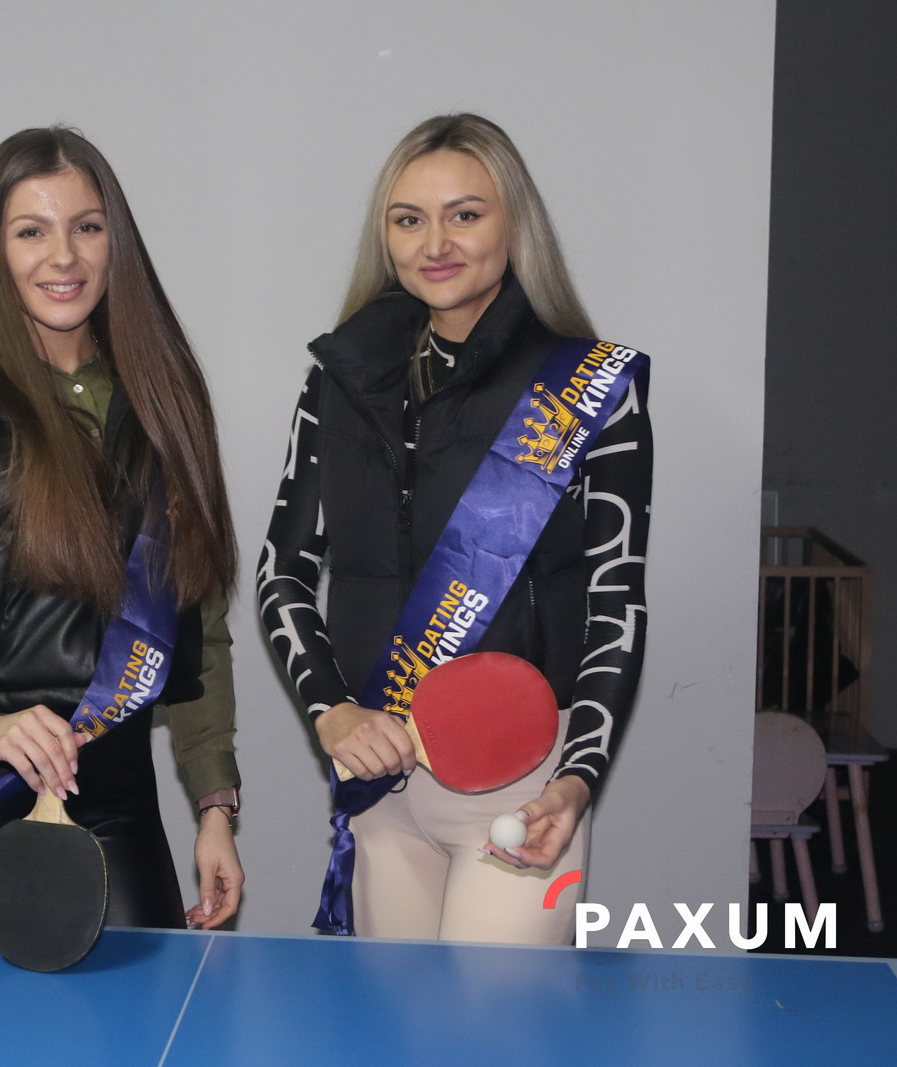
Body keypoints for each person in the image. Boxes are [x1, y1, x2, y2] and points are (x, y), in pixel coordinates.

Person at [257, 113, 650, 942]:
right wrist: (332, 710)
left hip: (526, 787)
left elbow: (616, 599)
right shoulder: (337, 382)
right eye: (409, 219)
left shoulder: (592, 387)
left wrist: (578, 777)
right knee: (395, 1016)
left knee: (491, 1015)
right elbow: (280, 573)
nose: (435, 243)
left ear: (514, 225)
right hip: (381, 786)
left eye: (465, 214)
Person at [0, 127, 243, 931]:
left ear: (115, 240)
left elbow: (196, 620)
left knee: (144, 1005)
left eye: (87, 227)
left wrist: (214, 803)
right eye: (32, 231)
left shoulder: (165, 397)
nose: (64, 256)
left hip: (115, 790)